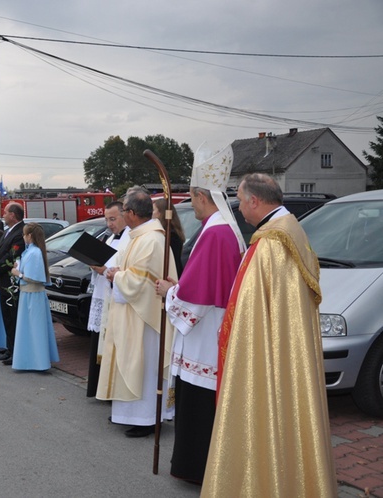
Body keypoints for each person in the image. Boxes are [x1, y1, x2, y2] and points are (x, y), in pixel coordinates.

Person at [201, 173, 337, 497]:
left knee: (267, 416)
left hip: (269, 355)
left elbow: (251, 320)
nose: (239, 209)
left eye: (241, 201)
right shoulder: (291, 230)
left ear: (254, 201)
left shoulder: (271, 245)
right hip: (288, 353)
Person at [154, 144, 245, 485]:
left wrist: (169, 292)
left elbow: (197, 293)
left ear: (200, 195)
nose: (190, 205)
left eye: (191, 198)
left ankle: (198, 469)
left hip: (206, 333)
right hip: (211, 327)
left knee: (200, 405)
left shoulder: (216, 232)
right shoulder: (222, 227)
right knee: (200, 403)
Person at [96, 188, 177, 438]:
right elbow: (123, 267)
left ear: (131, 213)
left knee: (142, 365)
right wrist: (114, 272)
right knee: (129, 363)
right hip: (129, 312)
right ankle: (128, 413)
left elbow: (139, 281)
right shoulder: (135, 236)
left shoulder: (152, 239)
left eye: (123, 212)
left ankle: (146, 418)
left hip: (145, 317)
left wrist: (116, 275)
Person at [85, 201, 128, 397]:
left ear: (124, 215)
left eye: (113, 219)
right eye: (107, 220)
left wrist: (105, 270)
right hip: (103, 295)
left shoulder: (130, 240)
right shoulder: (110, 238)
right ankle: (100, 388)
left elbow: (126, 272)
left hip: (116, 299)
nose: (109, 224)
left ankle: (111, 390)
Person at [9, 223, 59, 371]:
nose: (23, 237)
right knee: (28, 328)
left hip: (33, 295)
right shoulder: (30, 252)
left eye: (24, 235)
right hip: (28, 294)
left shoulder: (34, 253)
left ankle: (39, 362)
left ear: (29, 236)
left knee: (35, 328)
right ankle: (30, 359)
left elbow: (34, 277)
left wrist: (18, 273)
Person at [0, 202, 26, 365]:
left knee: (12, 316)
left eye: (5, 212)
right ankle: (9, 348)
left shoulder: (20, 232)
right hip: (3, 281)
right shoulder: (7, 231)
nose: (2, 214)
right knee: (7, 317)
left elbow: (11, 256)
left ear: (13, 215)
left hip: (10, 282)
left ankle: (15, 350)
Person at [152, 197, 186, 277]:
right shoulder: (169, 232)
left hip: (171, 274)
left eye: (154, 210)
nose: (152, 213)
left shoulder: (170, 235)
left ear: (160, 213)